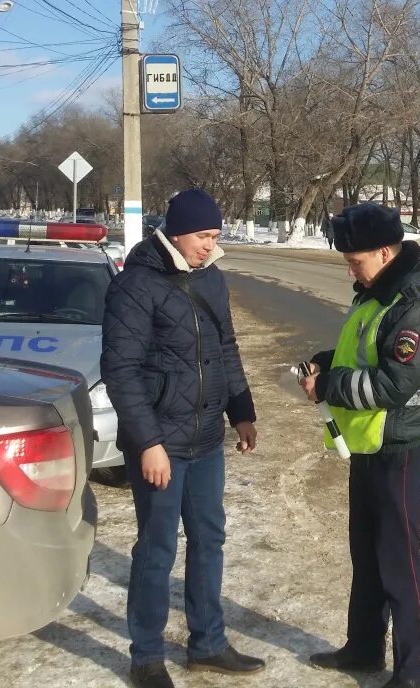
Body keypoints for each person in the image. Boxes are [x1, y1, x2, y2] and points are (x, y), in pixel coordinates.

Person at [101, 188, 265, 688]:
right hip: (159, 444)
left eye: (215, 236)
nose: (209, 245)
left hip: (205, 438)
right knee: (156, 548)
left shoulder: (211, 278)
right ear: (176, 233)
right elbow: (121, 370)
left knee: (209, 540)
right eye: (202, 236)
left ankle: (208, 643)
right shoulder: (135, 285)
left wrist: (241, 411)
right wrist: (147, 442)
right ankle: (146, 656)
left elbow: (225, 348)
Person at [298, 203, 420, 688]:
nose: (350, 267)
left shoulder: (417, 304)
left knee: (399, 559)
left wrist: (330, 386)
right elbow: (361, 353)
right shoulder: (374, 295)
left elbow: (396, 381)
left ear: (386, 251)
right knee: (367, 555)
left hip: (401, 446)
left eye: (356, 259)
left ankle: (413, 671)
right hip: (368, 445)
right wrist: (325, 362)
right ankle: (364, 649)